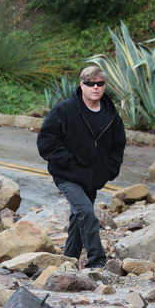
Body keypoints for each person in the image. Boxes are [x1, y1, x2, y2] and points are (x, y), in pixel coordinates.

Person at [37, 65, 126, 269]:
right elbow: (45, 141)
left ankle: (69, 262)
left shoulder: (111, 115)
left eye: (99, 83)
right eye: (90, 83)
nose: (95, 87)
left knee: (78, 223)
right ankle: (97, 261)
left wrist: (109, 169)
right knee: (86, 213)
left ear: (104, 86)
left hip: (93, 178)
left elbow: (118, 145)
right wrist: (70, 162)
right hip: (67, 175)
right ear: (81, 85)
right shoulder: (65, 109)